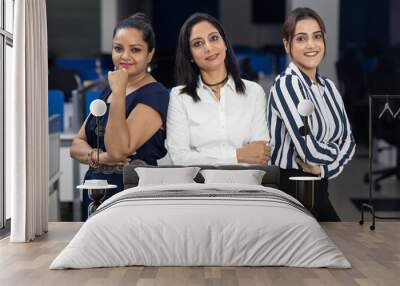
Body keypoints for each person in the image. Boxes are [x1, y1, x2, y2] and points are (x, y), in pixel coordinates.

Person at [70, 13, 169, 220]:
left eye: (135, 50)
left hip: (131, 191)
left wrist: (118, 93)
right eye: (118, 48)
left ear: (150, 54)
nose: (125, 56)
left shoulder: (155, 94)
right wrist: (101, 157)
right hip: (95, 188)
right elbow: (76, 145)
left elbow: (118, 150)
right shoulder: (111, 89)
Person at [266, 7, 356, 221]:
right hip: (290, 192)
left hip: (319, 186)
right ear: (287, 45)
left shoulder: (329, 88)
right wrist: (333, 154)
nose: (311, 45)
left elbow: (350, 143)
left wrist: (322, 170)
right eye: (301, 38)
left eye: (317, 36)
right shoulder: (287, 86)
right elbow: (308, 150)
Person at [166, 13, 271, 165]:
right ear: (190, 55)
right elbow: (180, 159)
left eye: (214, 38)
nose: (208, 47)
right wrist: (238, 155)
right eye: (198, 44)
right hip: (198, 186)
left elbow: (260, 155)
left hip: (246, 184)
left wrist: (201, 156)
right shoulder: (179, 97)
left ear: (225, 43)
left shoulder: (254, 92)